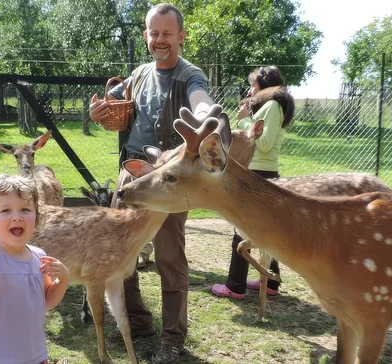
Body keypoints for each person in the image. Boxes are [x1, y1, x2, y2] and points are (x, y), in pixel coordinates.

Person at [89, 4, 214, 363]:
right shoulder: (139, 73)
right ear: (146, 35)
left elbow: (200, 99)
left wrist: (204, 116)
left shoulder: (191, 74)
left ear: (181, 36)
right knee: (119, 251)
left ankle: (173, 338)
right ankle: (138, 321)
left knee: (169, 258)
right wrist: (97, 111)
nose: (160, 40)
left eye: (167, 34)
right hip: (131, 173)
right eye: (153, 33)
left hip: (167, 181)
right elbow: (110, 102)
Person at [0, 174, 70, 364]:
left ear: (36, 216)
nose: (17, 217)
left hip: (33, 357)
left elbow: (47, 302)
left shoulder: (38, 256)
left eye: (25, 209)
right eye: (6, 210)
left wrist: (64, 279)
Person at [211, 65, 294, 300]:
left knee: (241, 229)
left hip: (258, 172)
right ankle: (270, 282)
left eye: (253, 85)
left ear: (266, 86)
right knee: (266, 229)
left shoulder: (272, 106)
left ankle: (235, 285)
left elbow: (264, 143)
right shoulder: (272, 106)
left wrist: (246, 121)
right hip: (262, 171)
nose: (251, 90)